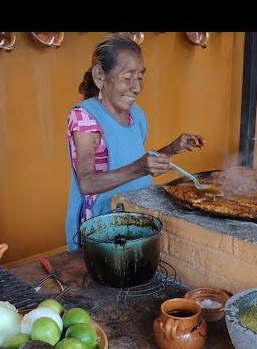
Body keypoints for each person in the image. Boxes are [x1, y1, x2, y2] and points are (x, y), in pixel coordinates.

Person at [66, 34, 205, 250]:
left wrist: (172, 149)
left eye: (140, 77)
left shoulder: (136, 114)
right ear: (100, 76)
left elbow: (135, 160)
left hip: (136, 214)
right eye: (127, 77)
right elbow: (87, 183)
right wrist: (141, 168)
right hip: (102, 227)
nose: (137, 87)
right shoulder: (85, 118)